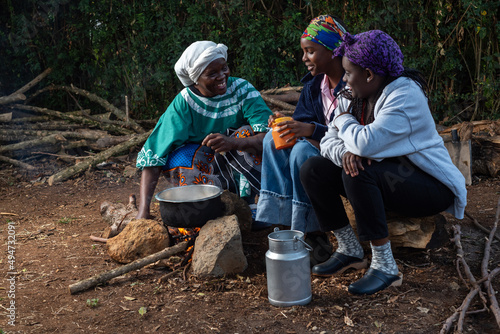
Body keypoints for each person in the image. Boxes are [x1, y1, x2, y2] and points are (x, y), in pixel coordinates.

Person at [300, 30, 467, 295]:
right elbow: (330, 141)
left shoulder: (405, 96)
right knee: (313, 169)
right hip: (390, 178)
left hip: (429, 184)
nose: (344, 79)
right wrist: (345, 152)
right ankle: (350, 250)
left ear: (369, 74)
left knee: (358, 172)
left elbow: (365, 143)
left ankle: (385, 266)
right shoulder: (354, 91)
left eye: (349, 73)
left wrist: (343, 120)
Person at [135, 41, 272, 220]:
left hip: (239, 161)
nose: (222, 76)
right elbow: (154, 154)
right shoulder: (184, 103)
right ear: (196, 79)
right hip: (205, 167)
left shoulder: (242, 90)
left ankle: (253, 205)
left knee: (246, 133)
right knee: (180, 158)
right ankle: (204, 207)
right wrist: (143, 211)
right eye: (212, 73)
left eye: (224, 68)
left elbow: (270, 137)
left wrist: (232, 142)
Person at [255, 15, 347, 261]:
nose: (304, 58)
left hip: (346, 159)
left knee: (302, 153)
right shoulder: (315, 86)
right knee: (270, 140)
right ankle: (285, 225)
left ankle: (314, 232)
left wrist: (311, 130)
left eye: (310, 51)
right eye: (304, 52)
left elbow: (356, 135)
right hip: (321, 150)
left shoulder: (355, 83)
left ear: (332, 51)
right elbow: (303, 122)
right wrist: (286, 123)